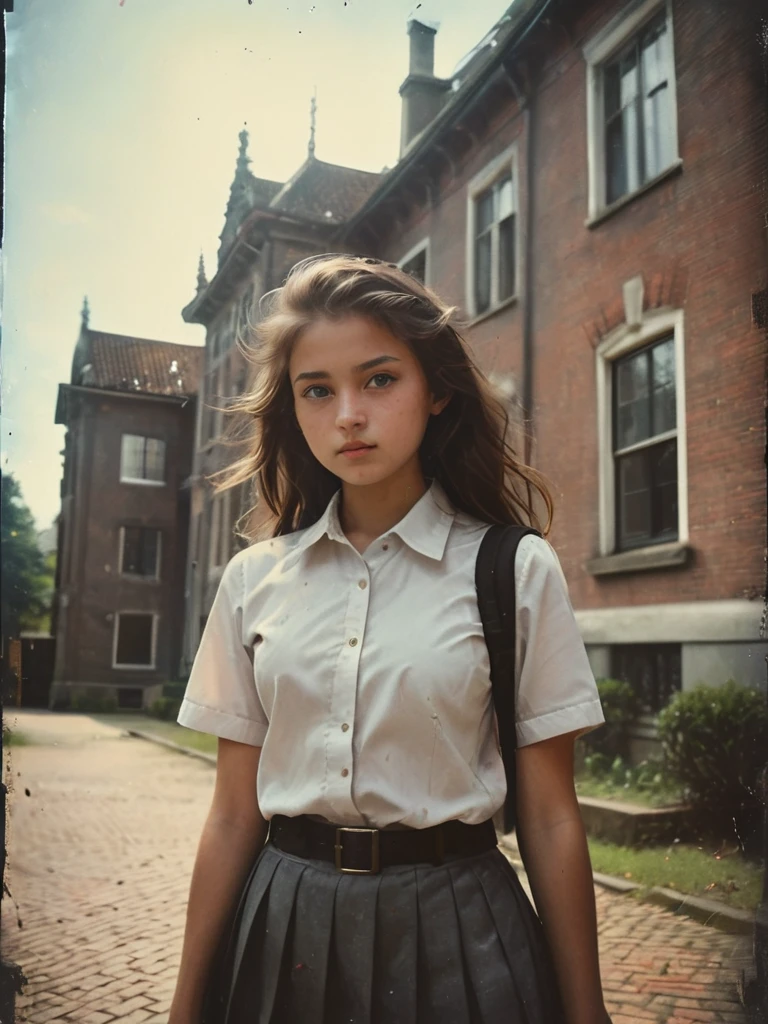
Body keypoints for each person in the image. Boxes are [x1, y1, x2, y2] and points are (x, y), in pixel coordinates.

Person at [169, 254, 611, 1024]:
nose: (347, 414)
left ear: (437, 390)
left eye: (379, 379)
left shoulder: (513, 569)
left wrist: (588, 1012)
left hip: (460, 929)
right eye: (318, 390)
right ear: (294, 410)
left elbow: (548, 816)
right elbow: (234, 815)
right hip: (284, 927)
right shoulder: (252, 581)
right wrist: (183, 1009)